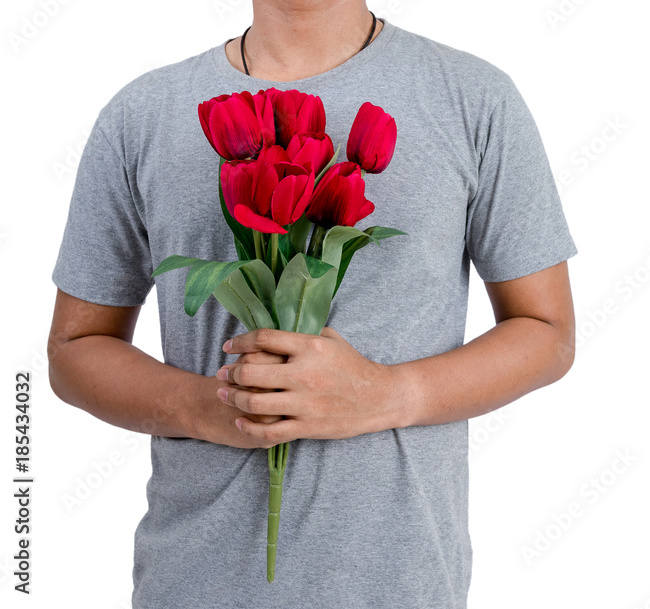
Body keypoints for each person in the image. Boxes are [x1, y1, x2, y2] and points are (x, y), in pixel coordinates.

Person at [47, 1, 577, 607]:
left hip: (400, 584)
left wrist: (388, 394)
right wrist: (213, 406)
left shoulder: (475, 98)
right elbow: (74, 349)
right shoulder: (143, 113)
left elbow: (547, 331)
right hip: (193, 583)